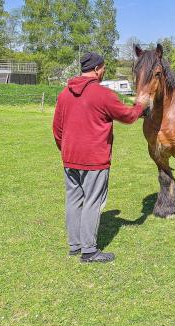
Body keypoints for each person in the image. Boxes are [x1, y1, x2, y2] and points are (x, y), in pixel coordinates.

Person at [52, 52, 144, 263]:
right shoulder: (103, 94)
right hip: (94, 159)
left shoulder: (64, 94)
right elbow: (128, 116)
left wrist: (65, 150)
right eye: (103, 68)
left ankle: (75, 245)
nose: (104, 72)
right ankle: (89, 251)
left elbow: (57, 129)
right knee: (93, 202)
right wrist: (140, 104)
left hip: (70, 158)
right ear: (96, 69)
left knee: (73, 200)